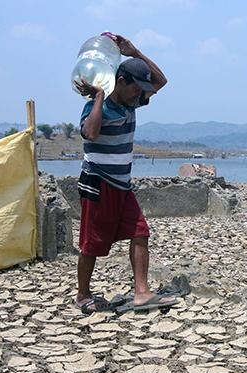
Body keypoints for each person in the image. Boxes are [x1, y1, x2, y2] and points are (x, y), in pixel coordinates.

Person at [73, 34, 173, 313]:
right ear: (120, 82)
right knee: (91, 242)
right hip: (97, 184)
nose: (139, 94)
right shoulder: (98, 106)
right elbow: (90, 133)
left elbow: (161, 81)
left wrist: (134, 51)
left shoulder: (133, 102)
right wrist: (99, 95)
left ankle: (142, 292)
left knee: (140, 232)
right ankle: (82, 294)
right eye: (134, 88)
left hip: (122, 185)